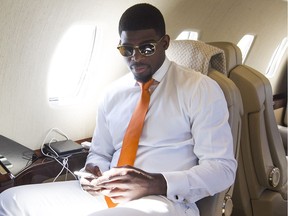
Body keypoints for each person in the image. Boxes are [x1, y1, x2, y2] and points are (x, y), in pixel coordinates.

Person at [0, 3, 237, 216]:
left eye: (146, 48)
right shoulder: (112, 93)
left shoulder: (200, 88)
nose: (135, 58)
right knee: (11, 200)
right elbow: (100, 153)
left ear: (164, 43)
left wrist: (157, 182)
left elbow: (223, 169)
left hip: (165, 201)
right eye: (127, 50)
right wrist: (94, 173)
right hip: (106, 195)